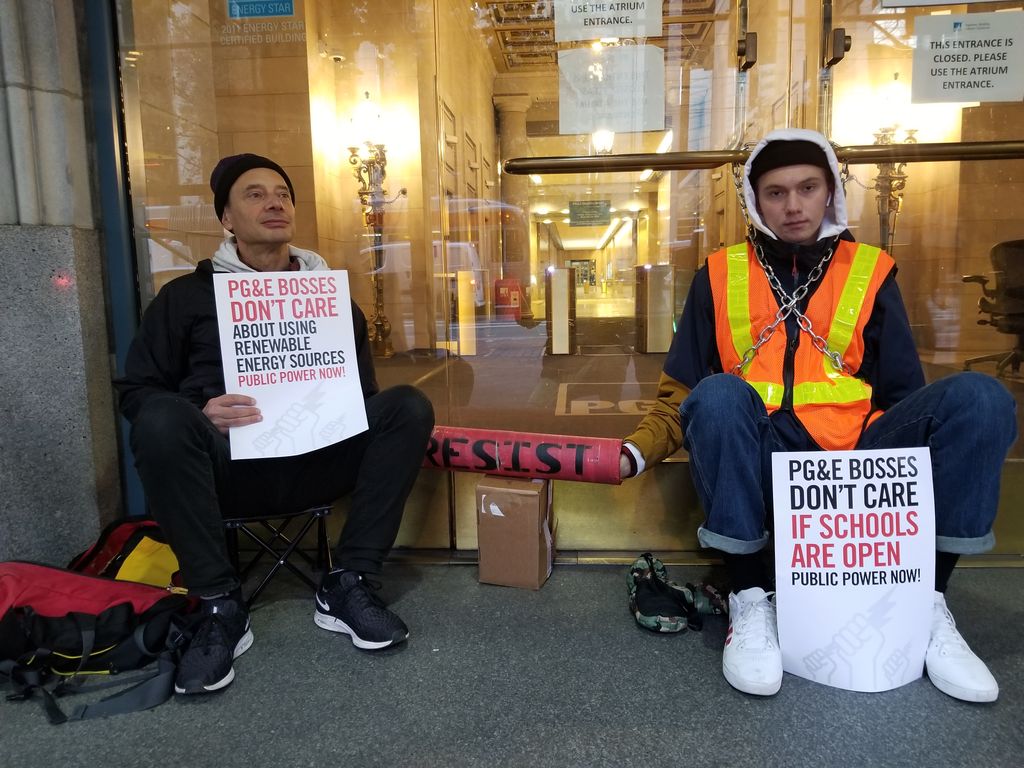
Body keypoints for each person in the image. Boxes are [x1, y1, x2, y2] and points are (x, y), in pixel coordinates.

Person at [620, 129, 1017, 701]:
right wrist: (635, 452)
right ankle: (750, 598)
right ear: (755, 201)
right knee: (718, 395)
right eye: (776, 192)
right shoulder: (720, 273)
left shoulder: (870, 270)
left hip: (857, 463)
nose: (793, 205)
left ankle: (926, 602)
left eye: (807, 188)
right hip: (764, 456)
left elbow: (903, 397)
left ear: (830, 191)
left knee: (981, 398)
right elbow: (680, 393)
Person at [116, 154, 434, 695]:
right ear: (226, 219)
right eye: (255, 194)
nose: (274, 203)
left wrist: (332, 405)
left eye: (283, 193)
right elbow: (136, 391)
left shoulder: (332, 299)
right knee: (161, 419)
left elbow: (364, 396)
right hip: (227, 470)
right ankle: (218, 605)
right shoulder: (185, 299)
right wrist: (200, 410)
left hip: (319, 463)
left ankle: (349, 582)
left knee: (407, 406)